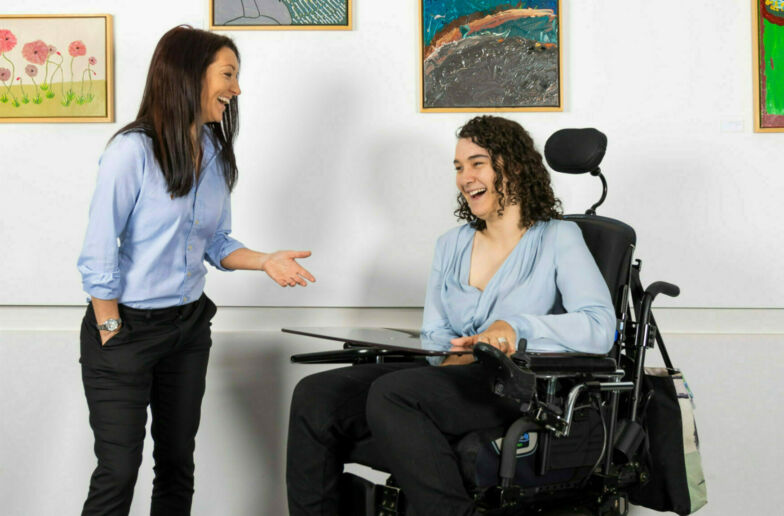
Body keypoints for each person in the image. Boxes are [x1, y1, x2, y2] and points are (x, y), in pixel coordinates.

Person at [286, 116, 615, 516]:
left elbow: (600, 329)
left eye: (477, 163)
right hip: (449, 373)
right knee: (315, 394)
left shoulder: (557, 237)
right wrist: (444, 352)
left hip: (510, 384)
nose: (465, 177)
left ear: (510, 165)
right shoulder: (451, 244)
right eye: (459, 167)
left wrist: (515, 328)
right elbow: (435, 332)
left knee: (394, 394)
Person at [77, 26, 315, 516]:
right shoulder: (132, 152)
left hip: (186, 330)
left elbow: (217, 243)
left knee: (177, 465)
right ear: (188, 76)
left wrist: (264, 260)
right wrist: (109, 327)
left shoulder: (213, 152)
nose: (237, 89)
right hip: (124, 328)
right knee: (118, 471)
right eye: (228, 74)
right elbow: (98, 251)